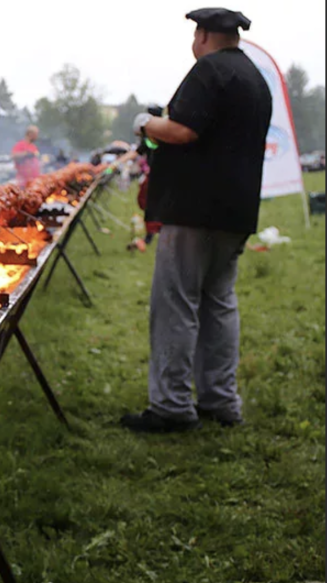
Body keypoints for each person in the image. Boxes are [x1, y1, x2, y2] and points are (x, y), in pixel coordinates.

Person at [120, 7, 272, 433]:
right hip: (236, 211)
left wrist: (145, 123)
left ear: (203, 35)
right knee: (219, 303)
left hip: (193, 211)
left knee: (176, 305)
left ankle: (171, 406)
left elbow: (183, 130)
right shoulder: (255, 79)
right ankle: (220, 401)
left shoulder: (208, 71)